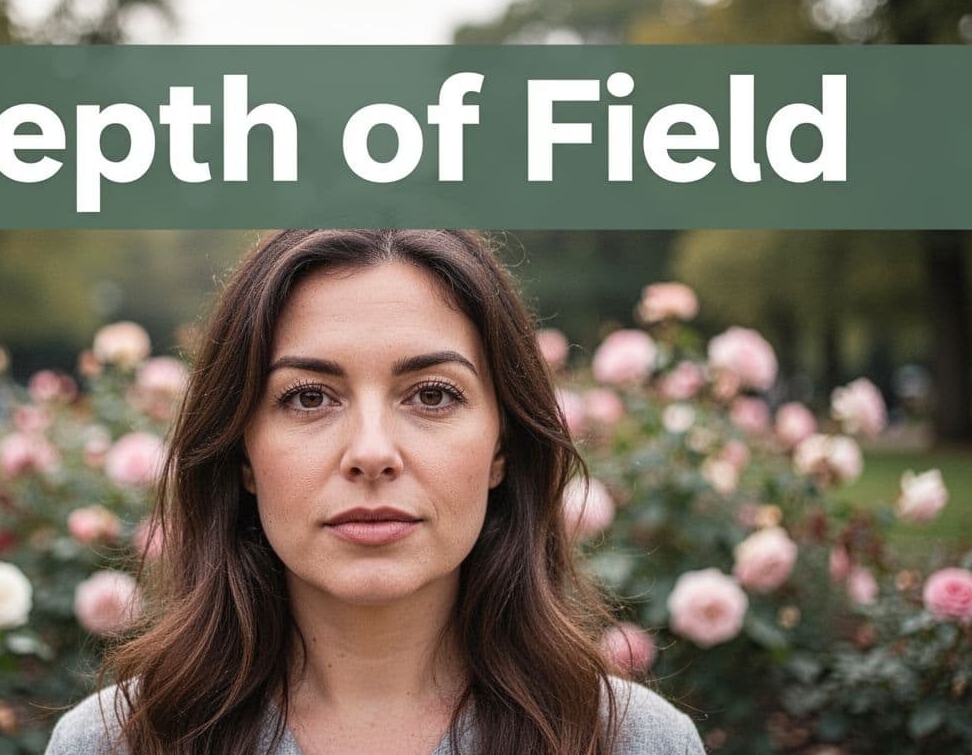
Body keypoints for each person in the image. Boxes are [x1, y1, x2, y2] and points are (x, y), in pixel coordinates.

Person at [47, 230, 704, 754]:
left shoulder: (637, 743)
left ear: (502, 447)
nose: (370, 453)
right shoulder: (114, 744)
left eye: (432, 395)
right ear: (241, 451)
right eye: (308, 397)